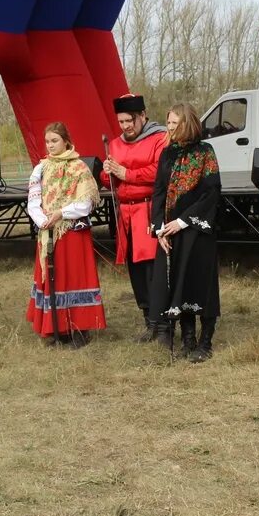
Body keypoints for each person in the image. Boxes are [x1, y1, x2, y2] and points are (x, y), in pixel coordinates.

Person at [149, 104, 221, 362]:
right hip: (170, 230)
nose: (170, 128)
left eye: (175, 123)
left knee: (201, 283)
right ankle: (187, 338)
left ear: (188, 123)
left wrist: (183, 221)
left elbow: (211, 191)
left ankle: (205, 341)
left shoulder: (205, 152)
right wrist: (159, 228)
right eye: (168, 123)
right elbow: (158, 191)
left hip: (197, 229)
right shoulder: (167, 154)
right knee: (179, 283)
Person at [24, 122, 106, 348]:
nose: (50, 145)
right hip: (48, 231)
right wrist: (43, 220)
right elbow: (33, 200)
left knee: (74, 278)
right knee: (54, 279)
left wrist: (61, 213)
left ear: (66, 141)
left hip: (72, 232)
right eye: (48, 141)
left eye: (55, 141)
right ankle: (56, 326)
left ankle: (80, 328)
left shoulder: (79, 168)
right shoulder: (41, 168)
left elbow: (86, 203)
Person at [100, 93, 168, 342]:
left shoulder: (159, 138)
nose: (126, 126)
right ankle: (148, 320)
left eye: (130, 120)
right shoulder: (115, 144)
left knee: (153, 268)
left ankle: (162, 324)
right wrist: (107, 173)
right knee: (136, 270)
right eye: (121, 122)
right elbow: (109, 181)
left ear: (142, 116)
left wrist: (126, 173)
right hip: (126, 215)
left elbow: (160, 170)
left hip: (148, 210)